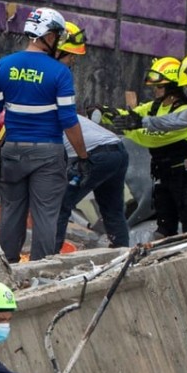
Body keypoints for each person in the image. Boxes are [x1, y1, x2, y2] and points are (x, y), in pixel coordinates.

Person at [0, 7, 89, 262]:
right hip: (48, 153)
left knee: (11, 212)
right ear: (49, 35)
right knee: (45, 214)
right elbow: (68, 120)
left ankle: (6, 265)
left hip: (12, 151)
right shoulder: (59, 73)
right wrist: (83, 155)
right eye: (57, 34)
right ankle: (40, 269)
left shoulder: (3, 66)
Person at [99, 57, 187, 238]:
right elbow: (130, 115)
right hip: (162, 175)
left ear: (172, 87)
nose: (155, 90)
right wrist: (106, 113)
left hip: (185, 177)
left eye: (159, 86)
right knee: (164, 225)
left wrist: (128, 128)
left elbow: (154, 139)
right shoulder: (154, 107)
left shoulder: (185, 113)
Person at [54, 22, 129, 249]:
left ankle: (49, 257)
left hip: (98, 153)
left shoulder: (42, 118)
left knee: (59, 206)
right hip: (117, 150)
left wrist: (84, 159)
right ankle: (122, 254)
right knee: (112, 209)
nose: (73, 63)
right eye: (71, 57)